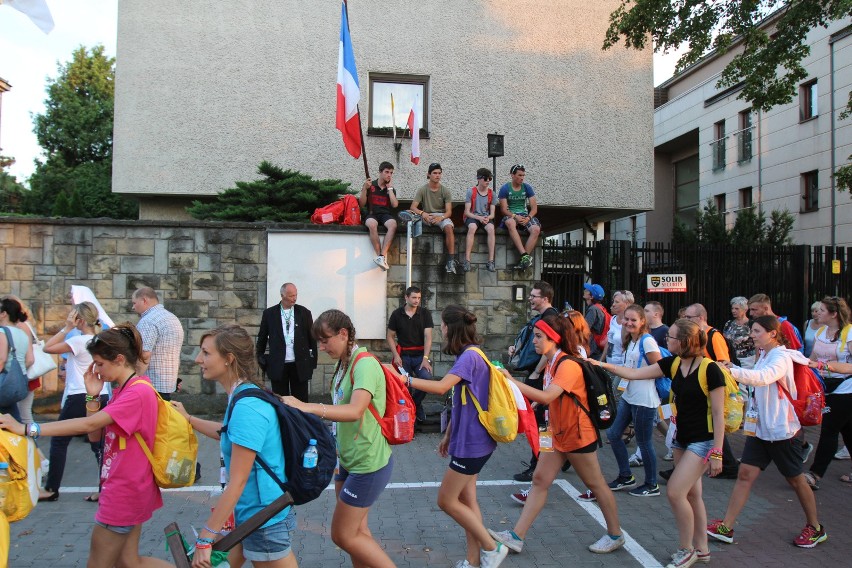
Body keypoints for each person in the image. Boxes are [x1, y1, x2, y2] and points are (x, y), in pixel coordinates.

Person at [0, 324, 170, 568]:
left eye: (100, 363)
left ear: (119, 359)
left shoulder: (137, 393)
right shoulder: (127, 388)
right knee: (129, 562)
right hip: (130, 487)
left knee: (99, 564)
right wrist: (92, 396)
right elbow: (95, 436)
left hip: (124, 490)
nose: (97, 370)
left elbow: (87, 426)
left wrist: (27, 429)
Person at [490, 314, 625, 556]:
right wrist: (535, 406)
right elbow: (550, 399)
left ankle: (615, 534)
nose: (534, 341)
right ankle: (516, 536)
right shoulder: (552, 362)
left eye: (540, 337)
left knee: (595, 484)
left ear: (554, 339)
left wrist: (510, 381)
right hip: (555, 432)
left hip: (576, 434)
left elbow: (548, 396)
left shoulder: (568, 364)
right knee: (540, 481)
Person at [594, 318, 725, 567]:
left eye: (672, 337)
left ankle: (686, 549)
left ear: (685, 342)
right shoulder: (674, 363)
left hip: (703, 441)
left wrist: (717, 451)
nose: (667, 340)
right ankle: (702, 548)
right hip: (680, 438)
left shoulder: (710, 369)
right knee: (693, 495)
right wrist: (598, 364)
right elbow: (634, 373)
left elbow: (718, 414)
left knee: (676, 492)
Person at [172, 324, 298, 568]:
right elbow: (228, 434)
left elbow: (238, 481)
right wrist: (189, 420)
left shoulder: (247, 407)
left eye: (206, 353)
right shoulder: (240, 395)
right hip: (252, 515)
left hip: (264, 520)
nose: (199, 359)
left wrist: (206, 538)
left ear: (228, 359)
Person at [397, 305, 509, 568]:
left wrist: (406, 380)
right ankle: (473, 561)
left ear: (450, 328)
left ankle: (493, 547)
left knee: (446, 500)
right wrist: (448, 434)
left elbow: (441, 388)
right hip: (467, 439)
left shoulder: (470, 357)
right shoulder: (468, 354)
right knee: (467, 501)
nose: (441, 330)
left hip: (473, 443)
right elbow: (461, 400)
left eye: (443, 326)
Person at [283, 310, 394, 568]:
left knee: (342, 534)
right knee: (357, 534)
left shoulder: (364, 364)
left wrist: (308, 407)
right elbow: (338, 412)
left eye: (325, 340)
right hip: (347, 459)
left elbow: (355, 410)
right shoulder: (342, 364)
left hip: (368, 463)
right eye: (319, 342)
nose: (322, 347)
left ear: (344, 334)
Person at [707, 316, 826, 549]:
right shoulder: (764, 354)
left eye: (757, 331)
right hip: (761, 430)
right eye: (752, 330)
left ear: (772, 334)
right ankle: (727, 526)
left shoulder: (780, 356)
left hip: (783, 431)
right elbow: (755, 376)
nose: (752, 335)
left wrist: (732, 372)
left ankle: (815, 527)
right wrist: (735, 369)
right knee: (745, 475)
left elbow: (763, 378)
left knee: (796, 480)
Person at [40, 302, 110, 502]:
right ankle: (104, 488)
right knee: (99, 444)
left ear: (79, 319)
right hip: (100, 394)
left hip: (80, 395)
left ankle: (52, 488)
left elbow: (48, 347)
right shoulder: (101, 340)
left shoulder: (80, 341)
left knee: (59, 440)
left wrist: (67, 328)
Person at [603, 304, 662, 497]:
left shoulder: (647, 341)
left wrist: (637, 374)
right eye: (626, 319)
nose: (628, 323)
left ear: (642, 321)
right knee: (613, 434)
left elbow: (660, 368)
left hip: (644, 399)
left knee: (644, 443)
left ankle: (652, 484)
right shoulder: (631, 340)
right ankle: (625, 476)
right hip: (629, 396)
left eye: (633, 320)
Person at [509, 282, 559, 483]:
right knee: (541, 422)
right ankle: (556, 459)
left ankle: (537, 464)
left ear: (545, 298)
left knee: (539, 423)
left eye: (534, 296)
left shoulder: (550, 318)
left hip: (541, 376)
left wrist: (536, 373)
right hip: (538, 374)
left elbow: (551, 347)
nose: (530, 299)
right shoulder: (544, 316)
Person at [804, 296, 852, 489]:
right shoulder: (821, 332)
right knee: (848, 431)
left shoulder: (849, 333)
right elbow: (812, 358)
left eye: (822, 310)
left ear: (834, 314)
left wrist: (825, 365)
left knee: (829, 429)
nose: (817, 313)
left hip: (845, 387)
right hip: (824, 386)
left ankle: (815, 474)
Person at [256, 283, 317, 401]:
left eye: (295, 295)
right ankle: (282, 419)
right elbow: (262, 337)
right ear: (282, 295)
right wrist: (260, 357)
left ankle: (299, 419)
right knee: (280, 399)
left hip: (299, 364)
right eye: (290, 296)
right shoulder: (269, 314)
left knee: (301, 400)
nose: (294, 298)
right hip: (279, 364)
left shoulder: (304, 312)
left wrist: (312, 361)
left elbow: (312, 338)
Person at [386, 286, 434, 424]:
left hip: (420, 356)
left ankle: (416, 404)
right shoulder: (397, 314)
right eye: (414, 297)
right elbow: (390, 336)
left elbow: (428, 337)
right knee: (403, 384)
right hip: (403, 355)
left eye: (419, 298)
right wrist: (396, 355)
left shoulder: (425, 314)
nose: (416, 300)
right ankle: (408, 414)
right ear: (406, 298)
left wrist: (425, 359)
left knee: (426, 379)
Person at [132, 286, 185, 399]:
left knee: (150, 417)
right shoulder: (172, 318)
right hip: (168, 384)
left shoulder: (148, 321)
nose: (133, 307)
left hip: (151, 385)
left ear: (144, 300)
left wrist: (134, 379)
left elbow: (144, 354)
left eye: (134, 303)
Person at [411, 162, 457, 274]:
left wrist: (440, 218)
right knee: (411, 219)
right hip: (426, 215)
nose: (437, 175)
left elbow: (449, 212)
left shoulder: (445, 190)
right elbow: (413, 207)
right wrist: (423, 213)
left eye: (439, 173)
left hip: (440, 215)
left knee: (449, 227)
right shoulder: (422, 189)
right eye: (435, 173)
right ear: (429, 174)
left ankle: (450, 261)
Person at [498, 164, 541, 270]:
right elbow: (503, 210)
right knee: (510, 223)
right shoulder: (504, 188)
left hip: (525, 215)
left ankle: (524, 260)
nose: (522, 178)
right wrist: (514, 216)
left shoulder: (527, 187)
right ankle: (524, 255)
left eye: (523, 175)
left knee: (536, 229)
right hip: (511, 215)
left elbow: (534, 208)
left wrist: (529, 218)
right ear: (512, 175)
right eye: (519, 175)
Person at [359, 161, 399, 271]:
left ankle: (381, 256)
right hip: (372, 214)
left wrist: (390, 189)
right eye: (387, 172)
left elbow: (395, 205)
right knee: (372, 224)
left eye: (391, 173)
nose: (389, 175)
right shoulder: (370, 186)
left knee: (393, 224)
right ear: (380, 172)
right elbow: (361, 204)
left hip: (385, 214)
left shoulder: (391, 189)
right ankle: (379, 256)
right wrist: (364, 188)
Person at [0, 297, 35, 421]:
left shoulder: (2, 332)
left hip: (3, 381)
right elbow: (29, 358)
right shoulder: (21, 333)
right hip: (19, 380)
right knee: (13, 415)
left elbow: (2, 359)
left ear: (4, 314)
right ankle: (25, 438)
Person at [462, 167, 497, 273]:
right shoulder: (471, 192)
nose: (488, 181)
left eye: (490, 179)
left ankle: (490, 261)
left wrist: (487, 218)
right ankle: (467, 260)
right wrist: (479, 218)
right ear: (479, 179)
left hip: (485, 217)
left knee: (491, 228)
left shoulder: (492, 194)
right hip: (473, 216)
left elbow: (492, 214)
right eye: (486, 178)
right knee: (472, 227)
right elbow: (467, 212)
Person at [723, 296, 754, 369]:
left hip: (748, 360)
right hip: (732, 359)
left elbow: (757, 343)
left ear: (745, 309)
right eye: (732, 308)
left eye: (736, 308)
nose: (733, 311)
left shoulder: (751, 324)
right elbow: (724, 341)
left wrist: (757, 360)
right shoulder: (728, 324)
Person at [583, 283, 610, 360]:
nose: (585, 290)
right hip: (598, 349)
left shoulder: (593, 309)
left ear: (591, 297)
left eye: (587, 290)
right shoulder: (600, 308)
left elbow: (584, 328)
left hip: (593, 351)